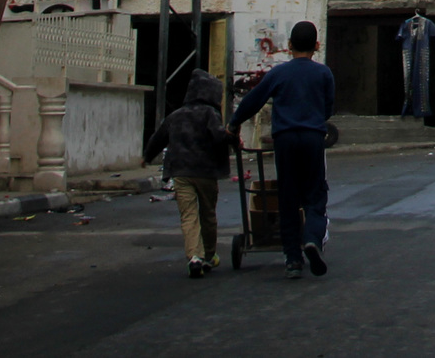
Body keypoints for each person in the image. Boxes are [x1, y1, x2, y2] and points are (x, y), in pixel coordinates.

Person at [228, 20, 335, 279]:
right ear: (317, 46)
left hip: (285, 140)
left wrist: (233, 124)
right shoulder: (323, 74)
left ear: (288, 46)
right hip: (312, 138)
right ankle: (310, 238)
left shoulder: (278, 74)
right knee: (315, 196)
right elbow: (328, 109)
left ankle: (292, 260)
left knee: (288, 196)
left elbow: (254, 99)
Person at [141, 70, 234, 277]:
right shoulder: (211, 114)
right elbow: (219, 136)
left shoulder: (176, 115)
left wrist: (146, 156)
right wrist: (233, 138)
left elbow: (159, 138)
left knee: (188, 216)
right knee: (207, 214)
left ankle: (194, 257)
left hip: (181, 172)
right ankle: (209, 256)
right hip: (206, 172)